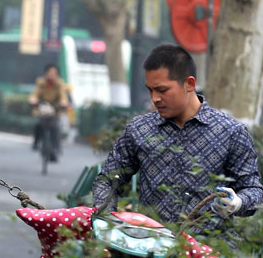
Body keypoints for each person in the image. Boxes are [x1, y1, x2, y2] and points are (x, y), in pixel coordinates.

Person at [93, 44, 263, 227]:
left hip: (210, 249)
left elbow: (253, 190)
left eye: (162, 90)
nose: (154, 98)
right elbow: (107, 180)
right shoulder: (139, 129)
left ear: (189, 84)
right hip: (150, 244)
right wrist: (106, 221)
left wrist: (238, 202)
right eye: (150, 90)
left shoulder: (231, 132)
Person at [29, 64, 69, 160]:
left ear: (57, 75)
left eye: (54, 73)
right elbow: (34, 95)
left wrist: (63, 103)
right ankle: (36, 142)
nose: (51, 75)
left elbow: (63, 97)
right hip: (42, 110)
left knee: (56, 127)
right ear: (45, 74)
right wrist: (33, 100)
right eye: (49, 73)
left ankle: (55, 149)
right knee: (38, 124)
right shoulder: (40, 83)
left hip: (55, 111)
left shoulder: (60, 84)